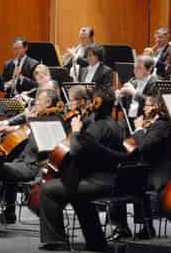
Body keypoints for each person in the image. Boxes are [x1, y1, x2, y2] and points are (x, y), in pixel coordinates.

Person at [38, 88, 126, 251]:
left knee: (48, 189)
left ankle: (55, 240)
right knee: (77, 194)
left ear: (96, 104)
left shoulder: (97, 128)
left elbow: (76, 151)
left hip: (98, 182)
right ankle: (96, 241)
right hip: (112, 180)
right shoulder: (115, 125)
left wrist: (77, 131)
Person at [109, 93, 171, 240]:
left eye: (147, 105)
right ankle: (144, 227)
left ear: (156, 106)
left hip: (158, 174)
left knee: (118, 184)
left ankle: (124, 227)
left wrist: (140, 129)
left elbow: (145, 146)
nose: (144, 109)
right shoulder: (156, 122)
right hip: (149, 168)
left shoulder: (163, 124)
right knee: (128, 178)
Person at [0, 89, 62, 224]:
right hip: (23, 161)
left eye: (38, 100)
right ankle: (8, 212)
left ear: (48, 102)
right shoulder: (37, 116)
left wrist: (31, 122)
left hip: (34, 166)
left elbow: (46, 146)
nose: (35, 102)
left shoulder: (52, 121)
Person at [117, 55, 158, 133]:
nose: (135, 71)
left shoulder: (155, 83)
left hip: (144, 122)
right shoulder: (132, 81)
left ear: (149, 70)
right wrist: (119, 97)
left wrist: (134, 93)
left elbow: (152, 104)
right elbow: (122, 106)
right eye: (134, 67)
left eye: (139, 68)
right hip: (128, 121)